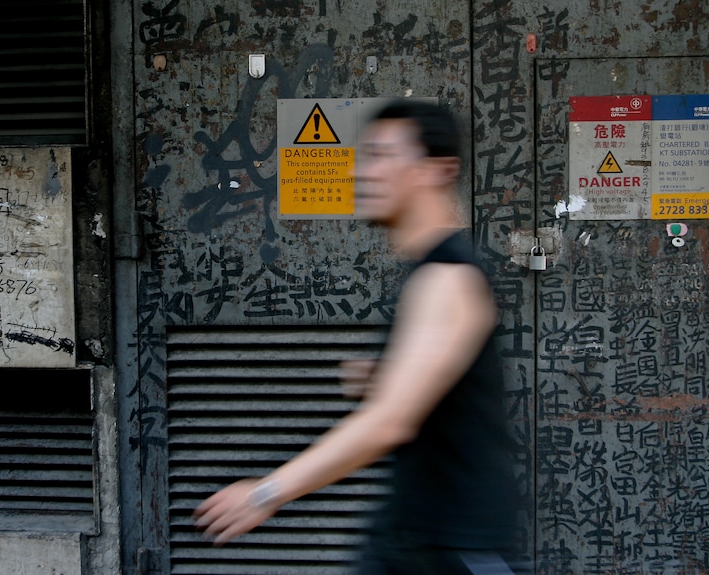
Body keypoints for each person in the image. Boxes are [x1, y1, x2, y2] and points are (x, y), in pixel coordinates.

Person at [194, 99, 518, 574]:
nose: (363, 172)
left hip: (454, 546)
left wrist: (266, 492)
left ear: (437, 170)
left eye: (385, 156)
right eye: (366, 155)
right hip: (415, 537)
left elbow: (390, 422)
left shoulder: (447, 278)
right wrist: (388, 377)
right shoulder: (428, 273)